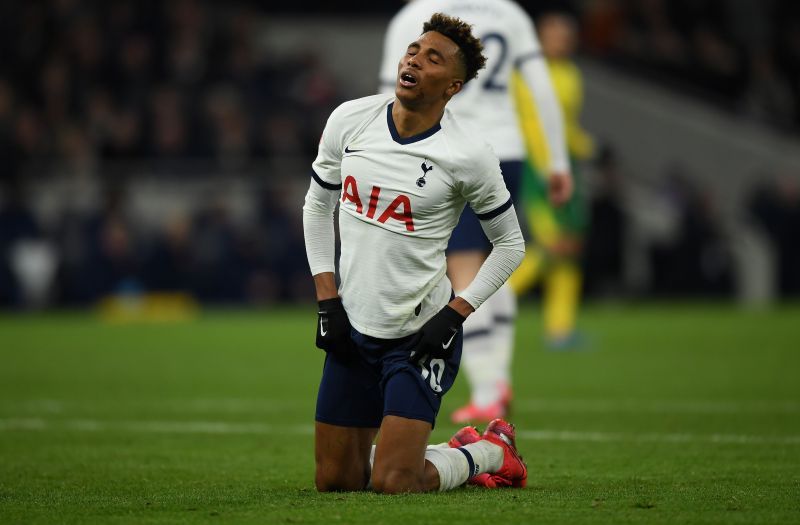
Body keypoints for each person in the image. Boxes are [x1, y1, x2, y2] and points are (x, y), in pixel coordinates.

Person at [303, 13, 526, 493]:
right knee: (335, 481)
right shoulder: (350, 119)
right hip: (353, 327)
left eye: (433, 59)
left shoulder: (468, 153)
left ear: (453, 86)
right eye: (413, 50)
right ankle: (431, 446)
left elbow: (511, 244)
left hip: (418, 335)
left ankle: (489, 451)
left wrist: (455, 314)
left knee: (394, 482)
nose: (414, 60)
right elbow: (317, 206)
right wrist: (327, 301)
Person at [379, 0, 572, 424]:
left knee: (464, 270)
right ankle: (496, 381)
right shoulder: (511, 13)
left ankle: (488, 388)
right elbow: (541, 86)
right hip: (508, 151)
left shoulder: (416, 15)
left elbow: (390, 93)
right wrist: (557, 161)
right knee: (490, 263)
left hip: (450, 150)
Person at [508, 12, 594, 348]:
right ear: (540, 38)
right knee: (549, 246)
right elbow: (528, 125)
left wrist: (585, 147)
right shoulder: (525, 76)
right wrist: (544, 166)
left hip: (568, 165)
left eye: (567, 35)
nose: (562, 41)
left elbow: (567, 125)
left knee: (570, 248)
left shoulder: (572, 74)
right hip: (537, 168)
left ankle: (560, 329)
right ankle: (480, 308)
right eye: (555, 35)